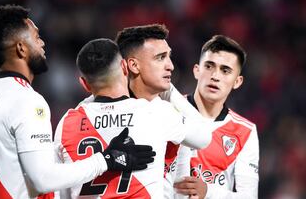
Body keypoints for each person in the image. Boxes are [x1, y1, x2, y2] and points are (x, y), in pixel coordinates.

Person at [0, 5, 156, 199]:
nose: (42, 43)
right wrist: (106, 159)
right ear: (21, 48)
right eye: (36, 37)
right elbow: (43, 179)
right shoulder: (26, 101)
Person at [54, 38, 211, 198]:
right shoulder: (156, 112)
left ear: (84, 84)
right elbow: (204, 137)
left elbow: (60, 189)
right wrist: (170, 92)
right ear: (124, 67)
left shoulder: (67, 123)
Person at [163, 35, 259, 198]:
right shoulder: (167, 110)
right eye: (209, 66)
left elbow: (248, 196)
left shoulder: (245, 131)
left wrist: (208, 192)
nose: (215, 76)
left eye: (225, 70)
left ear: (237, 81)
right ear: (196, 71)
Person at [115, 24, 190, 199]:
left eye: (169, 57)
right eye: (160, 57)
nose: (170, 66)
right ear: (133, 65)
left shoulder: (170, 114)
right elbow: (203, 136)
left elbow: (181, 184)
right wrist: (172, 93)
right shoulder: (166, 114)